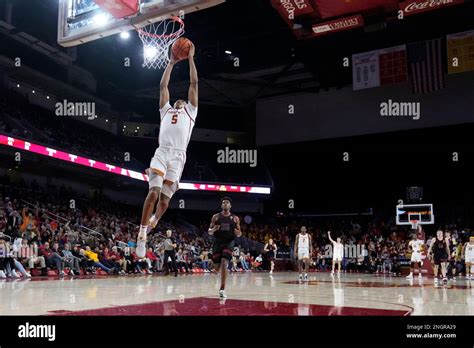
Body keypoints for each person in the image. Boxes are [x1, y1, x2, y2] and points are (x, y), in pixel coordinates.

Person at [137, 43, 198, 258]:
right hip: (162, 152)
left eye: (183, 99)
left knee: (164, 201)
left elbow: (194, 83)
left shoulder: (191, 112)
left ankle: (155, 220)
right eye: (178, 99)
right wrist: (171, 63)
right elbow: (163, 87)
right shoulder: (166, 110)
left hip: (179, 157)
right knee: (153, 192)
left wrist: (190, 59)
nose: (181, 100)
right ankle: (142, 234)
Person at [208, 197, 242, 298]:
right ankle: (215, 268)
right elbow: (209, 231)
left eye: (227, 202)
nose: (225, 204)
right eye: (223, 203)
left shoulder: (235, 218)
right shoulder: (215, 217)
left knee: (224, 262)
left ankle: (222, 289)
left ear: (230, 205)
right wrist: (214, 229)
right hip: (217, 243)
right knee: (217, 268)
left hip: (229, 242)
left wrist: (238, 233)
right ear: (221, 205)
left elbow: (240, 233)